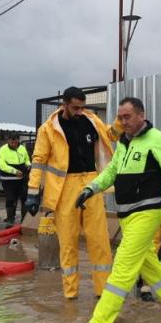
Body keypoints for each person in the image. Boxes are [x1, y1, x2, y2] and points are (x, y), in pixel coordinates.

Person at [74, 97, 161, 323]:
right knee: (150, 266)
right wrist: (91, 189)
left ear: (141, 115)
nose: (122, 122)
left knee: (123, 266)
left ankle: (99, 321)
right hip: (127, 216)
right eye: (120, 117)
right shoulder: (124, 144)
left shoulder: (157, 140)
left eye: (127, 117)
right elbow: (111, 173)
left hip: (147, 214)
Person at [24, 87, 117, 299]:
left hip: (92, 183)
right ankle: (70, 294)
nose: (79, 111)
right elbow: (38, 161)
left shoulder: (90, 119)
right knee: (68, 242)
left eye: (82, 107)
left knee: (100, 240)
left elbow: (109, 134)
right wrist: (32, 192)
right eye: (75, 107)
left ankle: (103, 292)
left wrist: (121, 123)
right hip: (65, 189)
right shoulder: (48, 129)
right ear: (64, 104)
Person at [0, 133, 30, 225]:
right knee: (11, 199)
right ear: (8, 140)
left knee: (25, 198)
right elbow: (1, 165)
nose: (13, 143)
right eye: (11, 141)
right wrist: (14, 171)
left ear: (18, 140)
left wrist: (28, 165)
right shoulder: (3, 150)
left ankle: (24, 220)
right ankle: (10, 220)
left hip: (22, 179)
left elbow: (27, 159)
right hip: (9, 180)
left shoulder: (22, 148)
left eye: (15, 141)